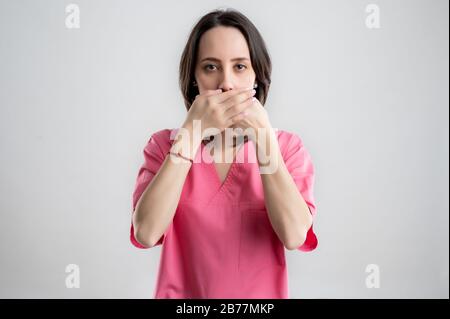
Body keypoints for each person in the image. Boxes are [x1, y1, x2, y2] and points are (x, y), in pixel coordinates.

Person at [130, 8, 318, 299]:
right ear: (194, 79)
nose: (226, 83)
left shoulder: (287, 149)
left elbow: (294, 235)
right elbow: (146, 231)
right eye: (210, 67)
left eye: (240, 67)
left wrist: (263, 138)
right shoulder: (163, 147)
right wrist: (190, 134)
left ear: (257, 76)